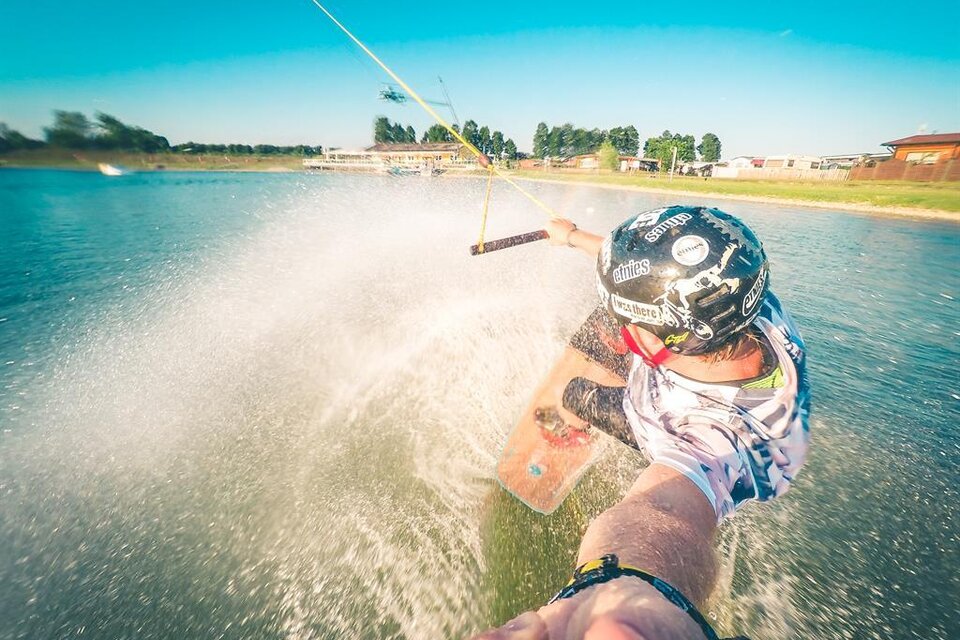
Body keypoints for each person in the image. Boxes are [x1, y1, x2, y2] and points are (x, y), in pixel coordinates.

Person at [472, 205, 810, 639]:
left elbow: (663, 513)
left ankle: (570, 429)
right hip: (689, 368)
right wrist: (571, 235)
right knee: (622, 312)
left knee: (575, 395)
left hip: (673, 422)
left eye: (630, 326)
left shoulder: (712, 439)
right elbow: (666, 276)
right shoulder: (742, 299)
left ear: (649, 345)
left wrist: (618, 588)